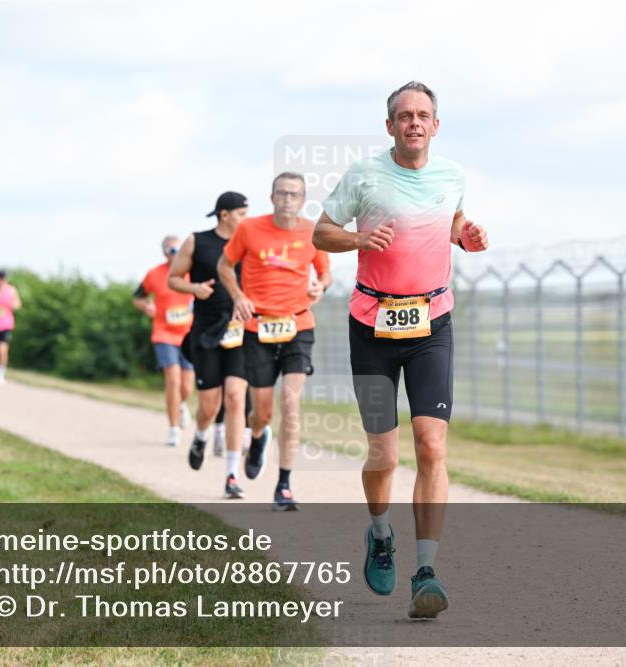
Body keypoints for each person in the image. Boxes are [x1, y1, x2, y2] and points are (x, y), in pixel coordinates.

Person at [313, 81, 489, 618]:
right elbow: (321, 233)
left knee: (432, 446)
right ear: (389, 126)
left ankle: (427, 570)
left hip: (432, 322)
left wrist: (466, 234)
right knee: (384, 455)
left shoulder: (452, 175)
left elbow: (451, 218)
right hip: (371, 326)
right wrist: (358, 241)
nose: (414, 122)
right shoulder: (365, 175)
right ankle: (380, 532)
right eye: (405, 116)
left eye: (424, 115)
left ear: (436, 125)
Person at [218, 173, 332, 510]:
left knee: (291, 404)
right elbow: (225, 266)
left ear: (302, 199)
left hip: (299, 324)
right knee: (263, 412)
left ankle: (284, 485)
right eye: (282, 193)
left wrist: (320, 286)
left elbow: (325, 272)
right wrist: (238, 296)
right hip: (258, 329)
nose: (287, 199)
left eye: (294, 194)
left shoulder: (313, 232)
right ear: (271, 197)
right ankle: (257, 439)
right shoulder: (249, 229)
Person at [169, 191, 251, 499]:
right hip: (206, 331)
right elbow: (173, 279)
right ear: (225, 214)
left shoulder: (248, 243)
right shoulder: (197, 241)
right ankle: (201, 435)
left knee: (235, 397)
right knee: (208, 406)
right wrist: (194, 288)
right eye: (242, 213)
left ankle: (232, 474)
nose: (246, 219)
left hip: (241, 331)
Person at [134, 236, 195, 447]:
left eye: (177, 249)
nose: (174, 253)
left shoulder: (193, 272)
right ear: (164, 253)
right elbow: (138, 297)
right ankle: (173, 428)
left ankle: (181, 404)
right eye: (169, 250)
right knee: (173, 380)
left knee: (187, 386)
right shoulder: (154, 274)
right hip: (164, 333)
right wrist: (146, 307)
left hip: (188, 333)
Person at [0, 270, 22, 385]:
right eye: (0, 277)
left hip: (5, 324)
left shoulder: (11, 290)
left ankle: (0, 374)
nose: (2, 280)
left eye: (4, 278)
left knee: (3, 349)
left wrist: (12, 304)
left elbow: (18, 304)